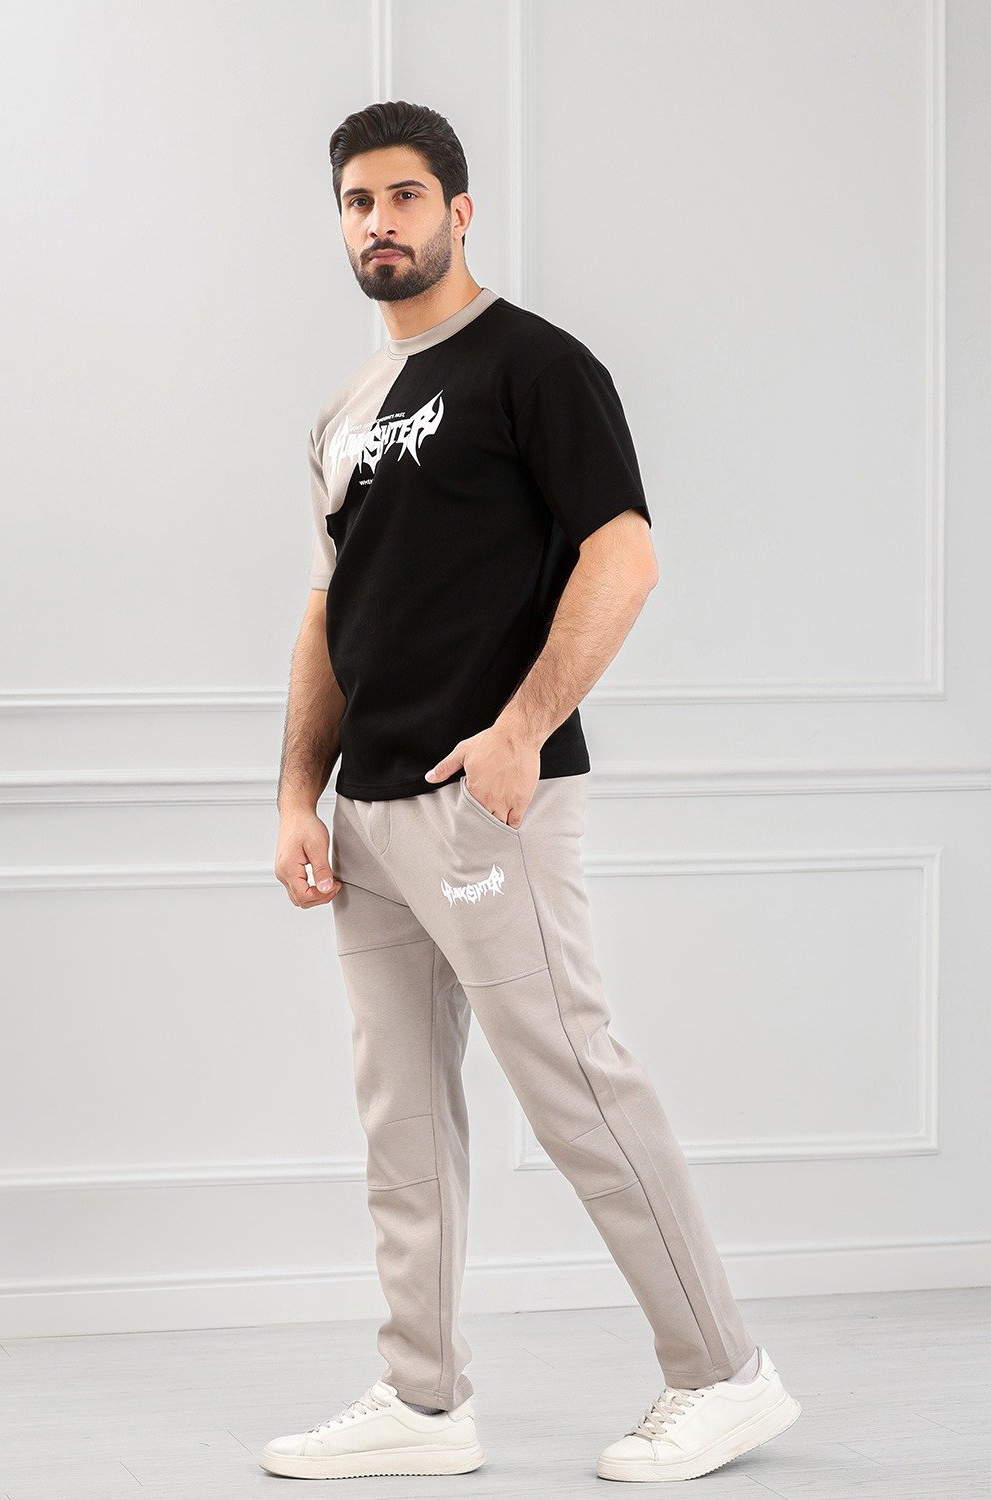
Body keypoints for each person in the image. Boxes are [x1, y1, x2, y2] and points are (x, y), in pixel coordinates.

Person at [261, 100, 801, 1484]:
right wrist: (297, 795)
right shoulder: (341, 414)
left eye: (404, 196)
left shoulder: (535, 366)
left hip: (488, 801)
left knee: (576, 1088)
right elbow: (331, 614)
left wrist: (522, 728)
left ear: (460, 210)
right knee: (401, 1122)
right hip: (368, 817)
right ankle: (422, 1398)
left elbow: (624, 553)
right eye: (356, 202)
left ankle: (725, 1374)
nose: (379, 222)